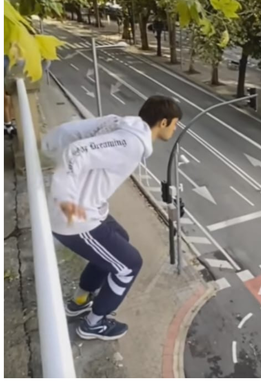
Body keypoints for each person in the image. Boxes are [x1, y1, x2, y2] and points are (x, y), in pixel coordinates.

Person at [43, 96, 181, 340]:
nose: (175, 128)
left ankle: (79, 301)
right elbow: (76, 152)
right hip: (76, 220)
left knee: (121, 239)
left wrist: (45, 146)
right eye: (174, 124)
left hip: (91, 212)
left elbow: (67, 131)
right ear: (162, 122)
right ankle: (94, 324)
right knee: (129, 265)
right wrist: (66, 203)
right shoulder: (131, 143)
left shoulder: (118, 123)